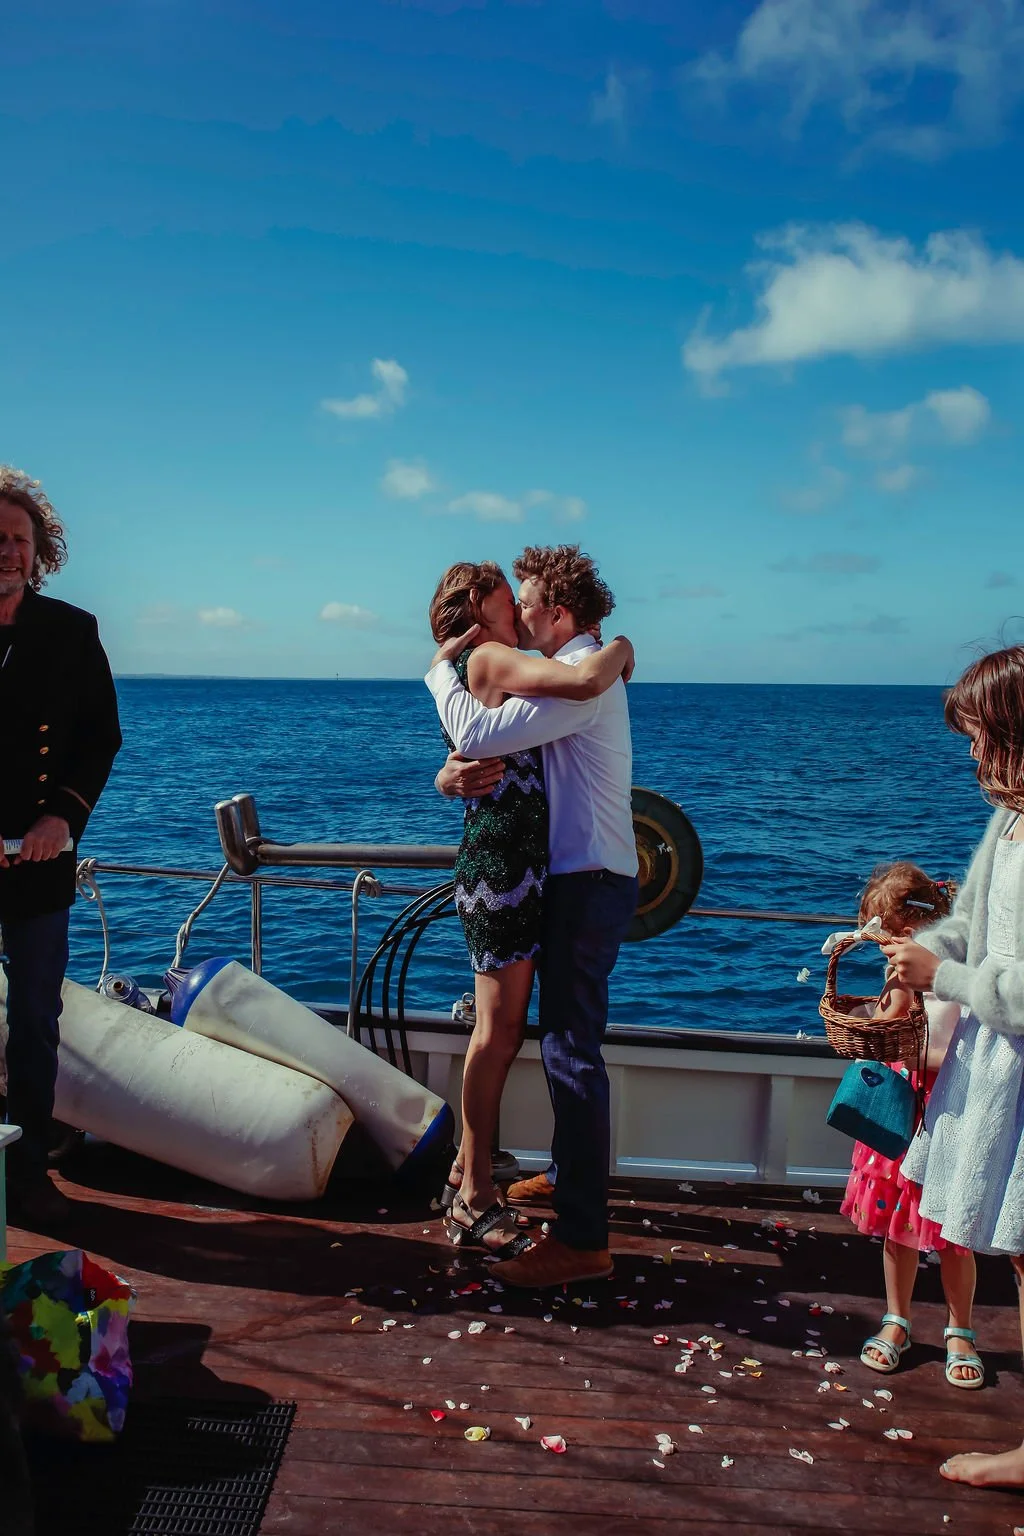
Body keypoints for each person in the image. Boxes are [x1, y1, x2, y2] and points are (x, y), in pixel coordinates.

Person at [428, 544, 639, 1288]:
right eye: (507, 603)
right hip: (564, 877)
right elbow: (475, 746)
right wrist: (449, 776)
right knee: (551, 1040)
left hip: (582, 880)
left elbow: (484, 734)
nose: (516, 611)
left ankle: (583, 1239)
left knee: (569, 1053)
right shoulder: (574, 674)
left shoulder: (581, 681)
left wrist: (614, 652)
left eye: (524, 601)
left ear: (556, 610)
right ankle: (556, 1178)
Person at [885, 645, 1024, 1488]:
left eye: (978, 734)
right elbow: (969, 923)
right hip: (1001, 1067)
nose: (970, 751)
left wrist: (950, 979)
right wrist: (915, 954)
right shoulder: (1008, 822)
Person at [0, 466, 122, 1224]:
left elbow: (99, 739)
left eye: (18, 538)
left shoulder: (71, 632)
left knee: (37, 1016)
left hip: (39, 861)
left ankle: (30, 1158)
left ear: (39, 552)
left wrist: (61, 820)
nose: (6, 551)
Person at [839, 863, 981, 1387]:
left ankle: (906, 1322)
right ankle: (956, 1330)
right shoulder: (967, 966)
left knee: (908, 1229)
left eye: (879, 937)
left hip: (926, 1108)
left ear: (903, 934)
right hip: (951, 1106)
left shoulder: (909, 974)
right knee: (950, 1235)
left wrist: (862, 1017)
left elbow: (890, 1027)